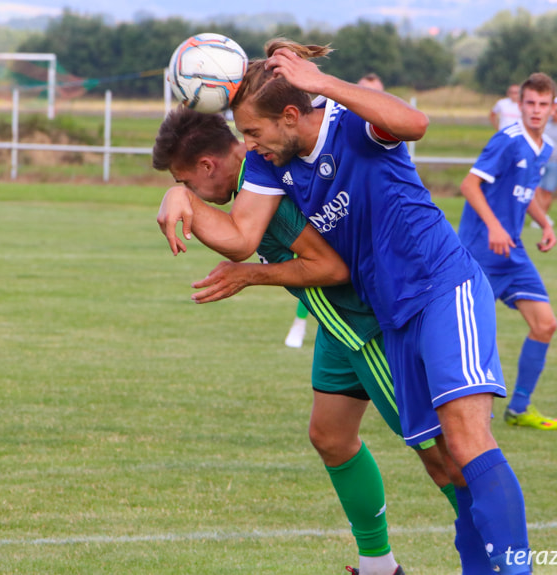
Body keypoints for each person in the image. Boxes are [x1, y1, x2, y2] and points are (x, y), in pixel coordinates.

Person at [157, 40, 532, 575]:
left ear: (291, 115)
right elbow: (241, 237)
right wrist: (182, 198)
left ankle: (511, 568)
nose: (249, 147)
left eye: (255, 134)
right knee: (431, 457)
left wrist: (324, 83)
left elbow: (415, 123)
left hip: (441, 284)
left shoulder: (349, 123)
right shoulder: (272, 166)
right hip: (392, 313)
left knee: (464, 445)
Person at [153, 106, 458, 575]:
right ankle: (378, 565)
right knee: (332, 438)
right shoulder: (255, 179)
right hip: (335, 327)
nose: (192, 192)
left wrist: (247, 273)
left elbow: (330, 266)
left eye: (188, 180)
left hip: (366, 328)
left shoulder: (265, 194)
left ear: (208, 166)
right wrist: (180, 193)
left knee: (440, 455)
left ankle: (496, 553)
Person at [458, 73, 557, 431]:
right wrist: (495, 226)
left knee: (545, 324)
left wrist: (545, 223)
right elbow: (469, 185)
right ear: (520, 106)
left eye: (542, 104)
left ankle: (518, 409)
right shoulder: (507, 140)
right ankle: (441, 402)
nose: (536, 111)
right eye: (530, 103)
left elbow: (526, 192)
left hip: (512, 254)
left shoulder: (544, 147)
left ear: (554, 108)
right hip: (480, 254)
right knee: (467, 337)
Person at [283, 72, 385, 349]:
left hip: (374, 251)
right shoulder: (334, 128)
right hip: (333, 232)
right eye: (363, 90)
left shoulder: (372, 133)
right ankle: (301, 323)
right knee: (319, 269)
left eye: (375, 92)